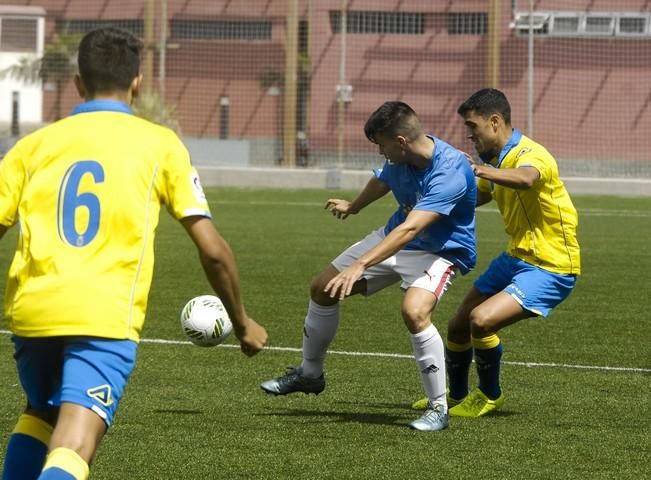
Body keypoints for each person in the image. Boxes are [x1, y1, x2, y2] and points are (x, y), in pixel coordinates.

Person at [0, 27, 267, 480]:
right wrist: (243, 323)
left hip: (33, 313)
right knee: (73, 446)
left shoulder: (32, 146)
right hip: (102, 317)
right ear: (138, 82)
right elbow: (214, 251)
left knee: (41, 413)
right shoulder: (159, 144)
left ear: (78, 83)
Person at [260, 101, 477, 432]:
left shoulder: (450, 171)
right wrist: (355, 206)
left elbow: (413, 228)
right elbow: (383, 180)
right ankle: (310, 374)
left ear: (401, 141)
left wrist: (360, 264)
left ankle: (438, 408)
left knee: (415, 312)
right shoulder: (401, 157)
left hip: (440, 251)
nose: (380, 152)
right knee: (323, 288)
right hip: (394, 237)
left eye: (381, 145)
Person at [411, 88, 581, 417]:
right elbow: (480, 196)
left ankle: (489, 395)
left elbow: (526, 179)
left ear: (494, 121)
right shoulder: (498, 159)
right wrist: (435, 200)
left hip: (552, 265)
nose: (470, 135)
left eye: (473, 127)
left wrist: (477, 169)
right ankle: (455, 396)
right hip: (516, 257)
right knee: (458, 325)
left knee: (482, 320)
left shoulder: (531, 154)